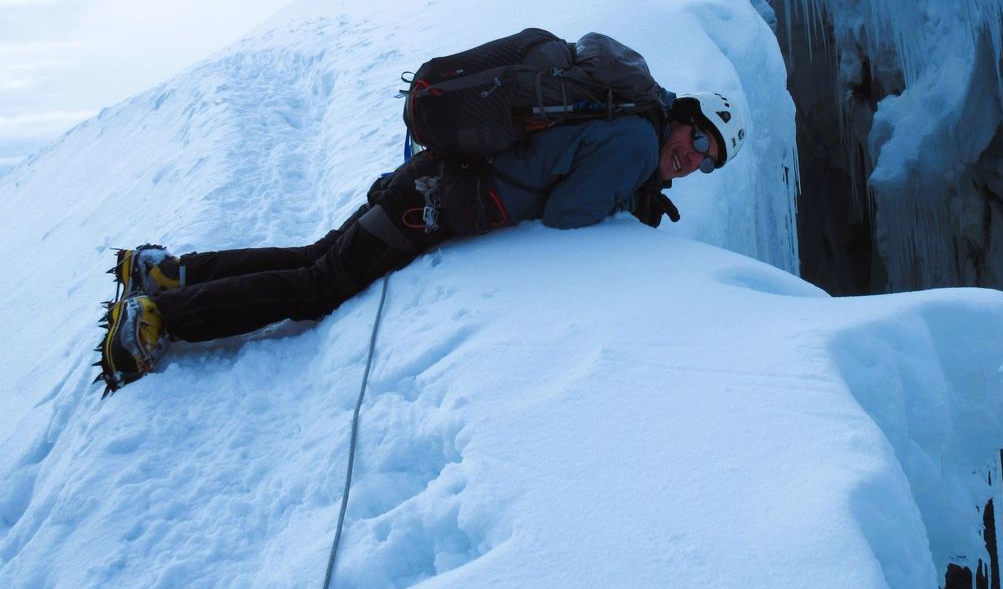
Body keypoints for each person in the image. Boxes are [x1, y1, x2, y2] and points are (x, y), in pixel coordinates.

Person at [96, 91, 746, 395]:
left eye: (707, 160)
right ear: (681, 120)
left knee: (315, 257)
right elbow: (570, 215)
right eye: (695, 141)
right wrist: (621, 195)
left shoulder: (630, 125)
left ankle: (166, 274)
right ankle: (156, 318)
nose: (692, 159)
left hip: (431, 179)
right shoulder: (635, 143)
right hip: (431, 202)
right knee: (317, 287)